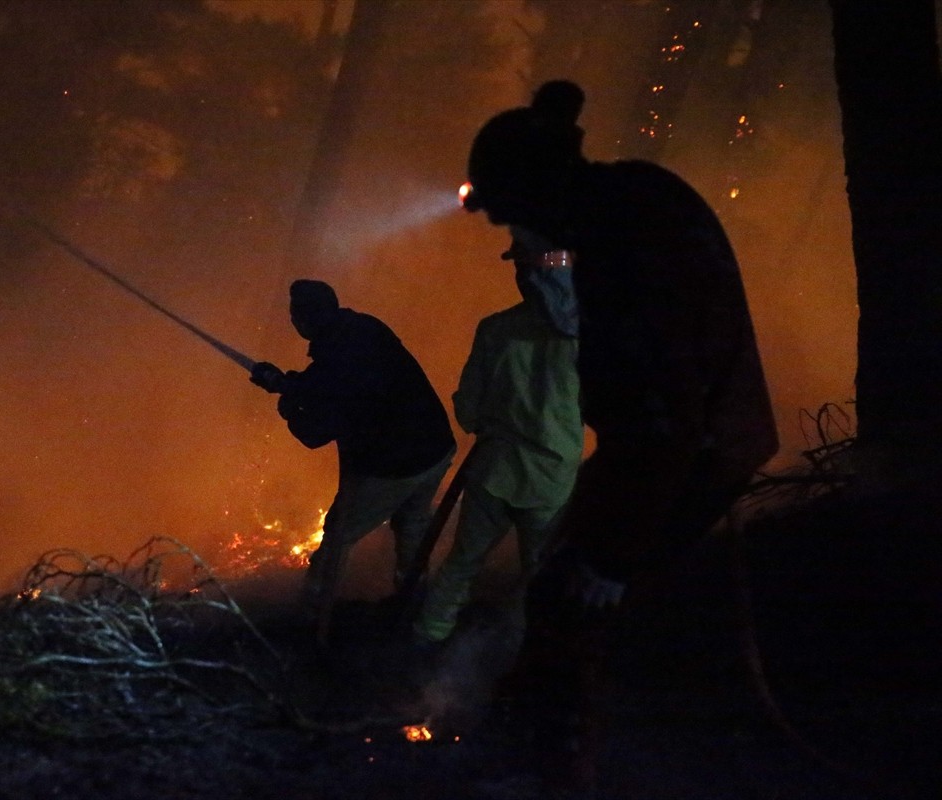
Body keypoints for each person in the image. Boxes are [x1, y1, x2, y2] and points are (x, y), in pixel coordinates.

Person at [461, 80, 779, 795]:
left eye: (513, 216)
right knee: (559, 583)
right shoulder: (628, 201)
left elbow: (664, 415)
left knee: (579, 597)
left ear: (538, 191)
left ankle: (562, 766)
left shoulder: (624, 240)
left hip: (685, 453)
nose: (511, 234)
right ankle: (529, 720)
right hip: (684, 440)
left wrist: (615, 554)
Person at [250, 279, 456, 644]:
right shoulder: (363, 327)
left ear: (303, 320)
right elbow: (331, 378)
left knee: (338, 536)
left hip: (395, 464)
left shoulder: (339, 359)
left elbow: (315, 433)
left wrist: (287, 409)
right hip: (435, 448)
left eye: (295, 314)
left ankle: (312, 617)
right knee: (412, 524)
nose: (292, 321)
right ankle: (413, 600)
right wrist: (287, 383)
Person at [413, 226, 582, 646]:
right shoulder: (590, 338)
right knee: (540, 574)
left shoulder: (495, 329)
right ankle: (532, 651)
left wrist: (487, 423)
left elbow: (468, 408)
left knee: (462, 562)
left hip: (494, 473)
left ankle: (427, 637)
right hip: (552, 481)